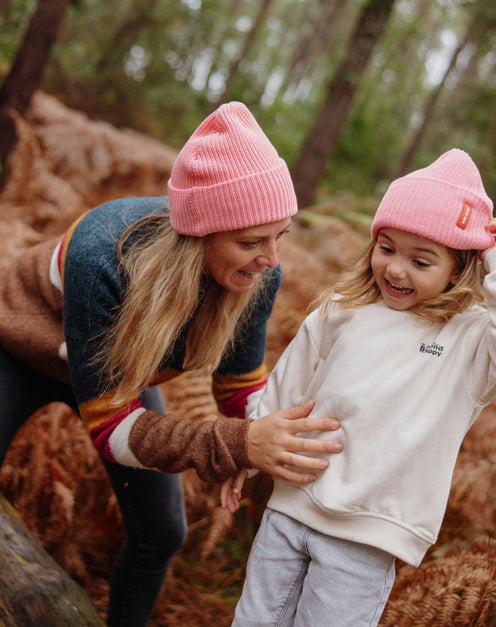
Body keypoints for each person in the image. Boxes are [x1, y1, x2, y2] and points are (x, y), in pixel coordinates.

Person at [0, 101, 343, 626]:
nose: (272, 260)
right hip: (22, 351)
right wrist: (237, 443)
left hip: (119, 378)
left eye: (281, 236)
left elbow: (239, 384)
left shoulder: (257, 274)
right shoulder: (104, 255)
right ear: (199, 233)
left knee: (162, 532)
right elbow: (111, 428)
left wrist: (255, 441)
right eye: (252, 241)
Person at [221, 148, 496, 627]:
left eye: (421, 260)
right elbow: (287, 386)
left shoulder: (471, 343)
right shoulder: (343, 308)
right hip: (290, 509)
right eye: (386, 248)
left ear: (460, 267)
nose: (396, 269)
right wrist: (247, 450)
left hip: (366, 537)